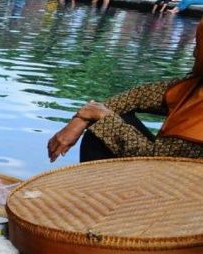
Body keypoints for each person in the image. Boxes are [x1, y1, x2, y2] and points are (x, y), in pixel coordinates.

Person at [48, 19, 203, 163]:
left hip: (181, 183)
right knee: (109, 121)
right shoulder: (195, 85)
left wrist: (102, 115)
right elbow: (139, 95)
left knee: (104, 126)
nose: (194, 54)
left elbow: (157, 160)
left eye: (198, 46)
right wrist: (81, 119)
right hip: (161, 168)